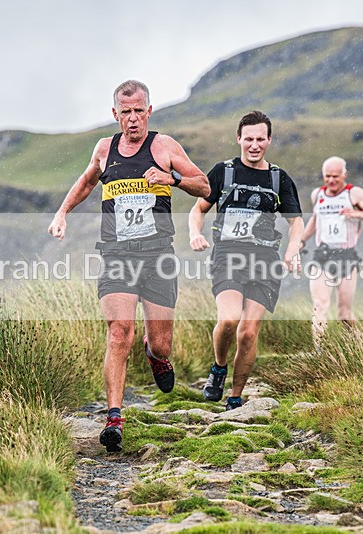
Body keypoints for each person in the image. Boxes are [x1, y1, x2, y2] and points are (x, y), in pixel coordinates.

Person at [47, 80, 209, 452]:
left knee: (162, 344)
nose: (132, 119)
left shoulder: (164, 146)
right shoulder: (105, 149)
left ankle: (156, 357)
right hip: (117, 254)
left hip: (158, 257)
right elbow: (87, 181)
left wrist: (173, 179)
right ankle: (114, 418)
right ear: (115, 114)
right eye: (125, 112)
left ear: (149, 112)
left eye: (139, 111)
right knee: (120, 333)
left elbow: (205, 187)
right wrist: (61, 213)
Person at [188, 110, 303, 410]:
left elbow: (296, 221)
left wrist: (293, 249)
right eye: (248, 139)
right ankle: (218, 367)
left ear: (269, 140)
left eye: (260, 139)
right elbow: (198, 209)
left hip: (265, 261)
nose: (254, 145)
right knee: (229, 319)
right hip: (227, 255)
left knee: (249, 332)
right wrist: (194, 234)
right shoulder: (223, 172)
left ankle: (235, 397)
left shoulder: (279, 178)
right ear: (239, 138)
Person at [300, 157, 363, 342]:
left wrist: (355, 213)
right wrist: (301, 241)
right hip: (323, 256)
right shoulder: (318, 195)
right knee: (320, 305)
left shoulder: (354, 194)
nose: (331, 181)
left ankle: (358, 345)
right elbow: (315, 220)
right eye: (327, 176)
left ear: (344, 175)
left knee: (344, 315)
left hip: (347, 257)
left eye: (335, 177)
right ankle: (319, 352)